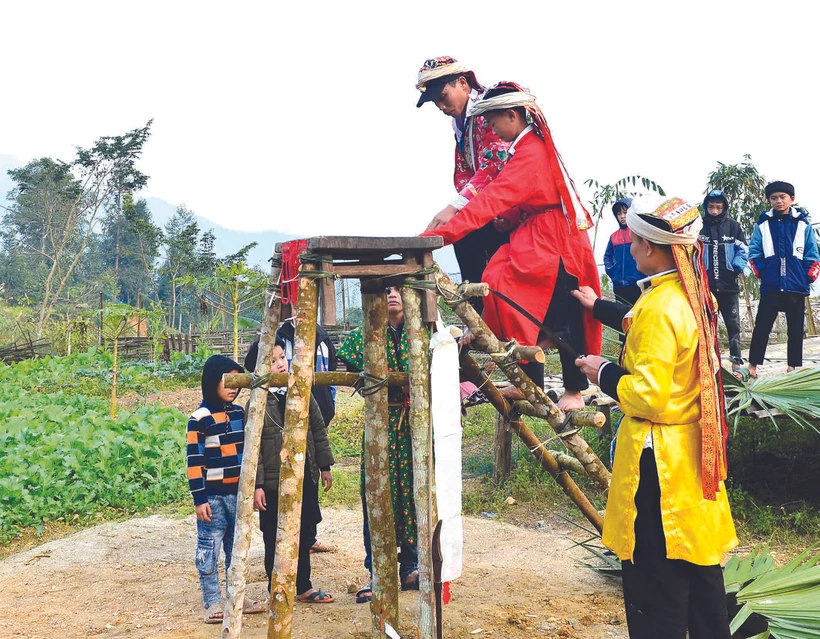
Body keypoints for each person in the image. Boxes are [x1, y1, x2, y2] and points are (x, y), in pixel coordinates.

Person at [573, 196, 737, 639]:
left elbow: (647, 396)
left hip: (658, 463)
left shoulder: (661, 308)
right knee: (699, 570)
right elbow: (634, 320)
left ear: (650, 248)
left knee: (656, 579)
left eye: (637, 242)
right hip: (691, 454)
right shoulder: (692, 295)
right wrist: (596, 306)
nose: (631, 249)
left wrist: (601, 371)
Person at [422, 81, 602, 411]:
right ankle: (528, 375)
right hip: (539, 232)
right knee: (500, 282)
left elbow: (489, 201)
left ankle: (574, 391)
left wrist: (437, 237)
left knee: (566, 312)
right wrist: (514, 214)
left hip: (555, 239)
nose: (490, 128)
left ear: (511, 116)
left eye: (492, 122)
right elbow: (522, 195)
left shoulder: (528, 152)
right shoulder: (525, 148)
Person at [337, 286, 418, 603]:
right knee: (376, 496)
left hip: (414, 427)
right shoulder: (364, 335)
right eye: (386, 290)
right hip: (379, 426)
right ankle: (377, 573)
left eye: (400, 290)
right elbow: (350, 365)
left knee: (413, 494)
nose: (393, 295)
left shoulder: (419, 335)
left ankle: (411, 567)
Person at [417, 56, 511, 313]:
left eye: (443, 96)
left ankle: (490, 313)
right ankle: (480, 311)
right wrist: (460, 209)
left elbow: (494, 165)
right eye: (436, 101)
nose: (440, 105)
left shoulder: (486, 111)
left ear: (463, 83)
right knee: (463, 233)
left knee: (485, 250)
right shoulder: (460, 121)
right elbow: (464, 173)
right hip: (489, 204)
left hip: (512, 205)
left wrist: (455, 207)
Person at [246, 340, 335, 603]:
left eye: (282, 357)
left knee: (304, 531)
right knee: (273, 534)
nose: (280, 363)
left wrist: (325, 465)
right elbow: (255, 449)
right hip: (273, 484)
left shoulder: (300, 392)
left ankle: (303, 585)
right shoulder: (258, 401)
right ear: (256, 369)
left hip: (304, 477)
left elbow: (318, 429)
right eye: (272, 361)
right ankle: (277, 588)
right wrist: (257, 485)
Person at [186, 355, 265, 624]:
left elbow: (249, 455)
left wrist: (255, 488)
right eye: (227, 381)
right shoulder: (199, 419)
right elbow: (194, 462)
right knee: (209, 547)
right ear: (211, 382)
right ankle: (212, 600)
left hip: (239, 494)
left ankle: (237, 596)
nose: (233, 388)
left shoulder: (239, 413)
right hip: (213, 497)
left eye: (237, 382)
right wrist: (199, 499)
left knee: (236, 548)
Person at [747, 181, 820, 378]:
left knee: (795, 329)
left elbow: (813, 254)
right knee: (762, 327)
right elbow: (754, 252)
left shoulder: (803, 224)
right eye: (774, 198)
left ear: (792, 199)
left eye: (782, 197)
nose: (778, 201)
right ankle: (752, 366)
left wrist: (806, 278)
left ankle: (793, 367)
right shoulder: (762, 224)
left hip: (796, 286)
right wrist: (763, 272)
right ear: (768, 200)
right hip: (771, 285)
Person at [699, 189, 749, 371]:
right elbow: (691, 252)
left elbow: (743, 249)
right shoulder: (699, 226)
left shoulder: (733, 226)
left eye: (718, 207)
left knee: (733, 325)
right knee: (705, 327)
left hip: (729, 287)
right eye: (711, 207)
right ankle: (709, 363)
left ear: (724, 207)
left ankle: (736, 363)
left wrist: (735, 267)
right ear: (706, 207)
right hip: (705, 288)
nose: (714, 211)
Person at [604, 197, 644, 308]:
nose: (622, 216)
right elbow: (607, 256)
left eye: (625, 212)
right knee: (623, 318)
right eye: (619, 213)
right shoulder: (613, 237)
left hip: (638, 284)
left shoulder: (639, 233)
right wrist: (613, 271)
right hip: (619, 286)